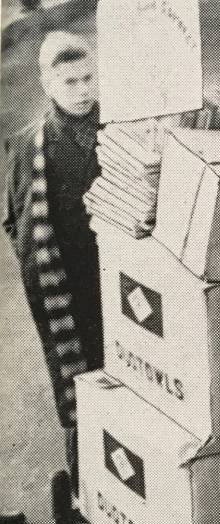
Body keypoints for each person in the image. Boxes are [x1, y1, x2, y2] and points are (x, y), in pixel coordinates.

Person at [3, 32, 102, 493]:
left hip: (118, 281)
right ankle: (87, 488)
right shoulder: (28, 147)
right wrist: (40, 263)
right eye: (69, 82)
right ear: (48, 84)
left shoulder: (120, 132)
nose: (82, 90)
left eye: (88, 78)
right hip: (67, 288)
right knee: (77, 386)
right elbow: (14, 220)